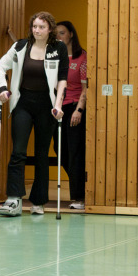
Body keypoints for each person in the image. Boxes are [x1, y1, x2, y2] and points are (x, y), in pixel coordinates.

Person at [0, 12, 67, 217]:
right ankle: (13, 199)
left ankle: (38, 201)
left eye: (41, 27)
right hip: (23, 103)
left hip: (47, 105)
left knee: (42, 153)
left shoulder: (58, 48)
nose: (37, 30)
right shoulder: (20, 46)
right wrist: (2, 89)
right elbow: (0, 66)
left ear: (50, 29)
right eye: (34, 26)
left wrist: (59, 104)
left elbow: (62, 79)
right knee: (18, 151)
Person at [53, 20, 87, 210]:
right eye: (56, 34)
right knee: (60, 150)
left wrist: (79, 110)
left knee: (75, 152)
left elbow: (85, 89)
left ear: (71, 34)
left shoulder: (82, 58)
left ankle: (79, 197)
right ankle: (79, 186)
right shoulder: (55, 57)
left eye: (62, 33)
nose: (59, 37)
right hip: (58, 108)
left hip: (74, 108)